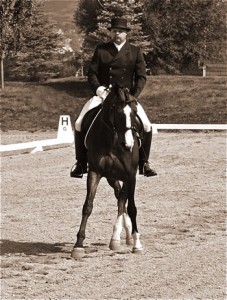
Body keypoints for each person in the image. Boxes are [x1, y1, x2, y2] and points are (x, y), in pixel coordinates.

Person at [70, 17, 157, 178]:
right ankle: (80, 163)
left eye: (121, 31)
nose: (118, 34)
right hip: (104, 95)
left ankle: (144, 163)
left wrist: (133, 95)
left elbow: (141, 77)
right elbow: (92, 74)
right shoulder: (101, 50)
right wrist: (99, 89)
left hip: (126, 98)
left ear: (126, 34)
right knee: (78, 122)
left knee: (146, 125)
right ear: (110, 32)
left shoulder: (135, 51)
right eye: (115, 31)